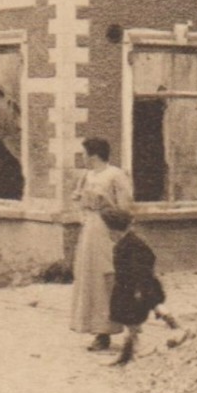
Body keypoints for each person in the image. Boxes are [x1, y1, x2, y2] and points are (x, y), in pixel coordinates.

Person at [70, 137, 133, 350]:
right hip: (89, 230)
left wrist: (118, 231)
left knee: (107, 278)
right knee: (89, 277)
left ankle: (112, 329)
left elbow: (125, 208)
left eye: (84, 154)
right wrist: (83, 210)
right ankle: (97, 330)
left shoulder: (116, 175)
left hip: (107, 230)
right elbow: (79, 202)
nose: (83, 158)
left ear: (94, 155)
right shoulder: (87, 176)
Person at [105, 211, 168, 366]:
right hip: (128, 285)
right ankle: (129, 351)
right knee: (131, 318)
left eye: (110, 230)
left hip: (137, 286)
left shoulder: (133, 244)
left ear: (115, 230)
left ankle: (134, 350)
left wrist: (138, 288)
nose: (109, 233)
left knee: (136, 316)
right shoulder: (125, 242)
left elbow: (143, 266)